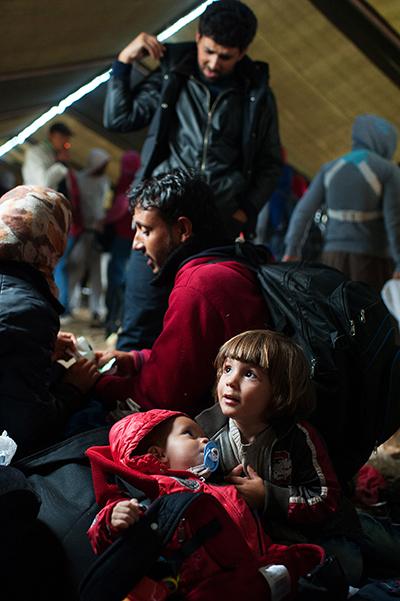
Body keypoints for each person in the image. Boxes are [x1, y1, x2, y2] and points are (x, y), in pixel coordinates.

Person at [104, 0, 281, 350]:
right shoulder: (173, 75)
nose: (214, 63)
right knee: (138, 327)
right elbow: (118, 119)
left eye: (226, 56)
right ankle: (128, 404)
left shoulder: (256, 95)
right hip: (158, 221)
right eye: (209, 51)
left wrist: (243, 212)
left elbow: (270, 163)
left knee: (203, 334)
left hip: (217, 231)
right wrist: (124, 62)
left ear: (243, 52)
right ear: (198, 37)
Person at [86, 409, 325, 601]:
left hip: (255, 563)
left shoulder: (219, 485)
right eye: (189, 434)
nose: (205, 439)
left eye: (206, 436)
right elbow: (103, 538)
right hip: (204, 584)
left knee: (310, 557)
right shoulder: (153, 493)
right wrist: (112, 518)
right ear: (158, 455)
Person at [93, 169, 270, 417]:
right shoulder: (232, 261)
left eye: (145, 230)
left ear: (182, 229)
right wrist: (137, 360)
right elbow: (194, 360)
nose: (136, 243)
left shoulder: (197, 285)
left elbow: (161, 396)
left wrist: (94, 384)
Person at [196, 329, 363, 585]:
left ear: (279, 391)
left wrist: (268, 496)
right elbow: (187, 481)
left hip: (312, 531)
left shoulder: (297, 436)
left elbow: (325, 497)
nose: (230, 381)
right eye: (227, 369)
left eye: (249, 374)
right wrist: (220, 486)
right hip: (255, 536)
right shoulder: (206, 429)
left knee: (350, 563)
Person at [0, 185, 99, 458]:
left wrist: (43, 352)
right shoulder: (29, 310)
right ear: (51, 241)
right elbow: (25, 428)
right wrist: (73, 387)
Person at [283, 114, 400, 293]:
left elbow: (302, 212)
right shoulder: (388, 171)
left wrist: (292, 250)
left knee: (336, 314)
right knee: (371, 316)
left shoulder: (330, 169)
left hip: (332, 259)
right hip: (373, 262)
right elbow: (395, 222)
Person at [68, 148, 111, 326]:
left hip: (96, 232)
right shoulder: (79, 179)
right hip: (82, 230)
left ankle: (97, 309)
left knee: (97, 273)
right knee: (75, 268)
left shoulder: (104, 181)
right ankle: (70, 305)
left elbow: (101, 204)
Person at [104, 150, 141, 337]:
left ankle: (112, 320)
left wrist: (105, 220)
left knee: (116, 279)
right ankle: (119, 321)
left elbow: (120, 208)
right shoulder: (142, 180)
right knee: (127, 280)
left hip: (122, 237)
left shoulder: (126, 183)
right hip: (136, 238)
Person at [22, 121, 72, 189]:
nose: (64, 142)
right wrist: (61, 163)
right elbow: (43, 183)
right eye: (61, 137)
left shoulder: (54, 154)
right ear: (51, 136)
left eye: (67, 139)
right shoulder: (36, 152)